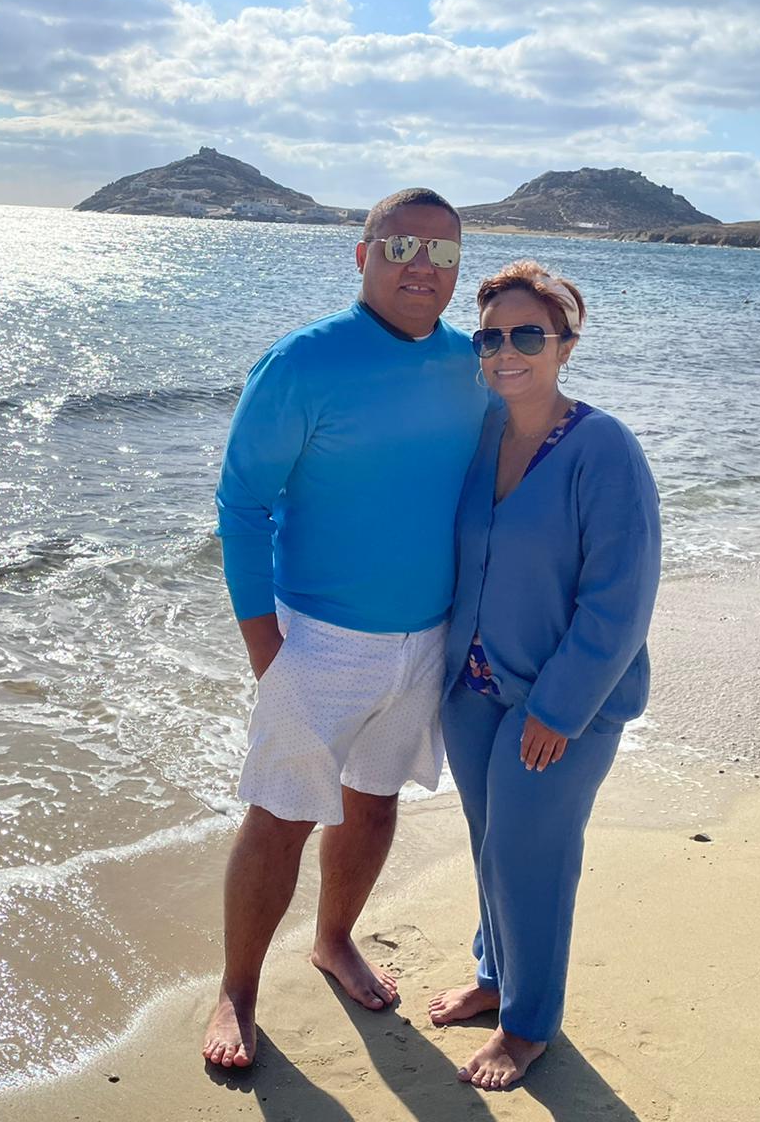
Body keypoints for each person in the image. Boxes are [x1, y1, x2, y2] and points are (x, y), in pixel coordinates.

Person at [204, 188, 489, 1068]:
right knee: (281, 817)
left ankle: (334, 940)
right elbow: (241, 504)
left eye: (443, 254)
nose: (422, 267)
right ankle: (237, 991)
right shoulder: (302, 363)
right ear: (360, 255)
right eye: (402, 246)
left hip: (427, 637)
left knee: (373, 805)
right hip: (318, 637)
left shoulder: (472, 364)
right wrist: (266, 649)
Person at [426, 259, 661, 1089]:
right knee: (491, 847)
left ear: (564, 344)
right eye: (490, 337)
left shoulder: (603, 447)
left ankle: (528, 1026)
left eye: (528, 334)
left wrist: (558, 710)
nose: (505, 351)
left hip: (564, 703)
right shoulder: (481, 431)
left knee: (532, 853)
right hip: (474, 690)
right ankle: (496, 979)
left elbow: (620, 599)